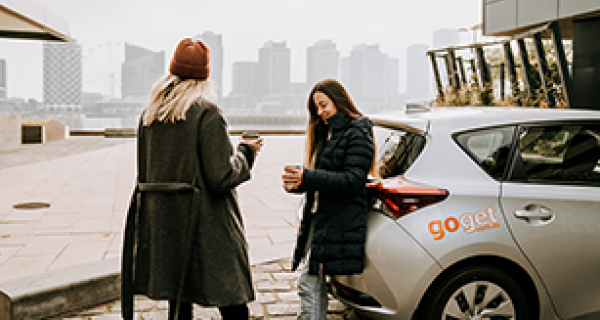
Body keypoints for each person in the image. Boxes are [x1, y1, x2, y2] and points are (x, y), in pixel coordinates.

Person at [121, 38, 263, 320]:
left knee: (179, 301)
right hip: (206, 224)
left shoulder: (149, 115)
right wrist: (247, 151)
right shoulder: (206, 113)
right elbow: (222, 176)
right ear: (205, 76)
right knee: (233, 302)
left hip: (165, 223)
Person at [281, 79, 375, 319]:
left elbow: (353, 180)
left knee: (308, 283)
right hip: (321, 219)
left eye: (324, 105)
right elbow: (326, 178)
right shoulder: (330, 133)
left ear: (339, 100)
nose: (321, 113)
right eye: (316, 109)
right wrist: (300, 183)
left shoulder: (358, 130)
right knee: (315, 283)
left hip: (339, 220)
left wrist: (309, 177)